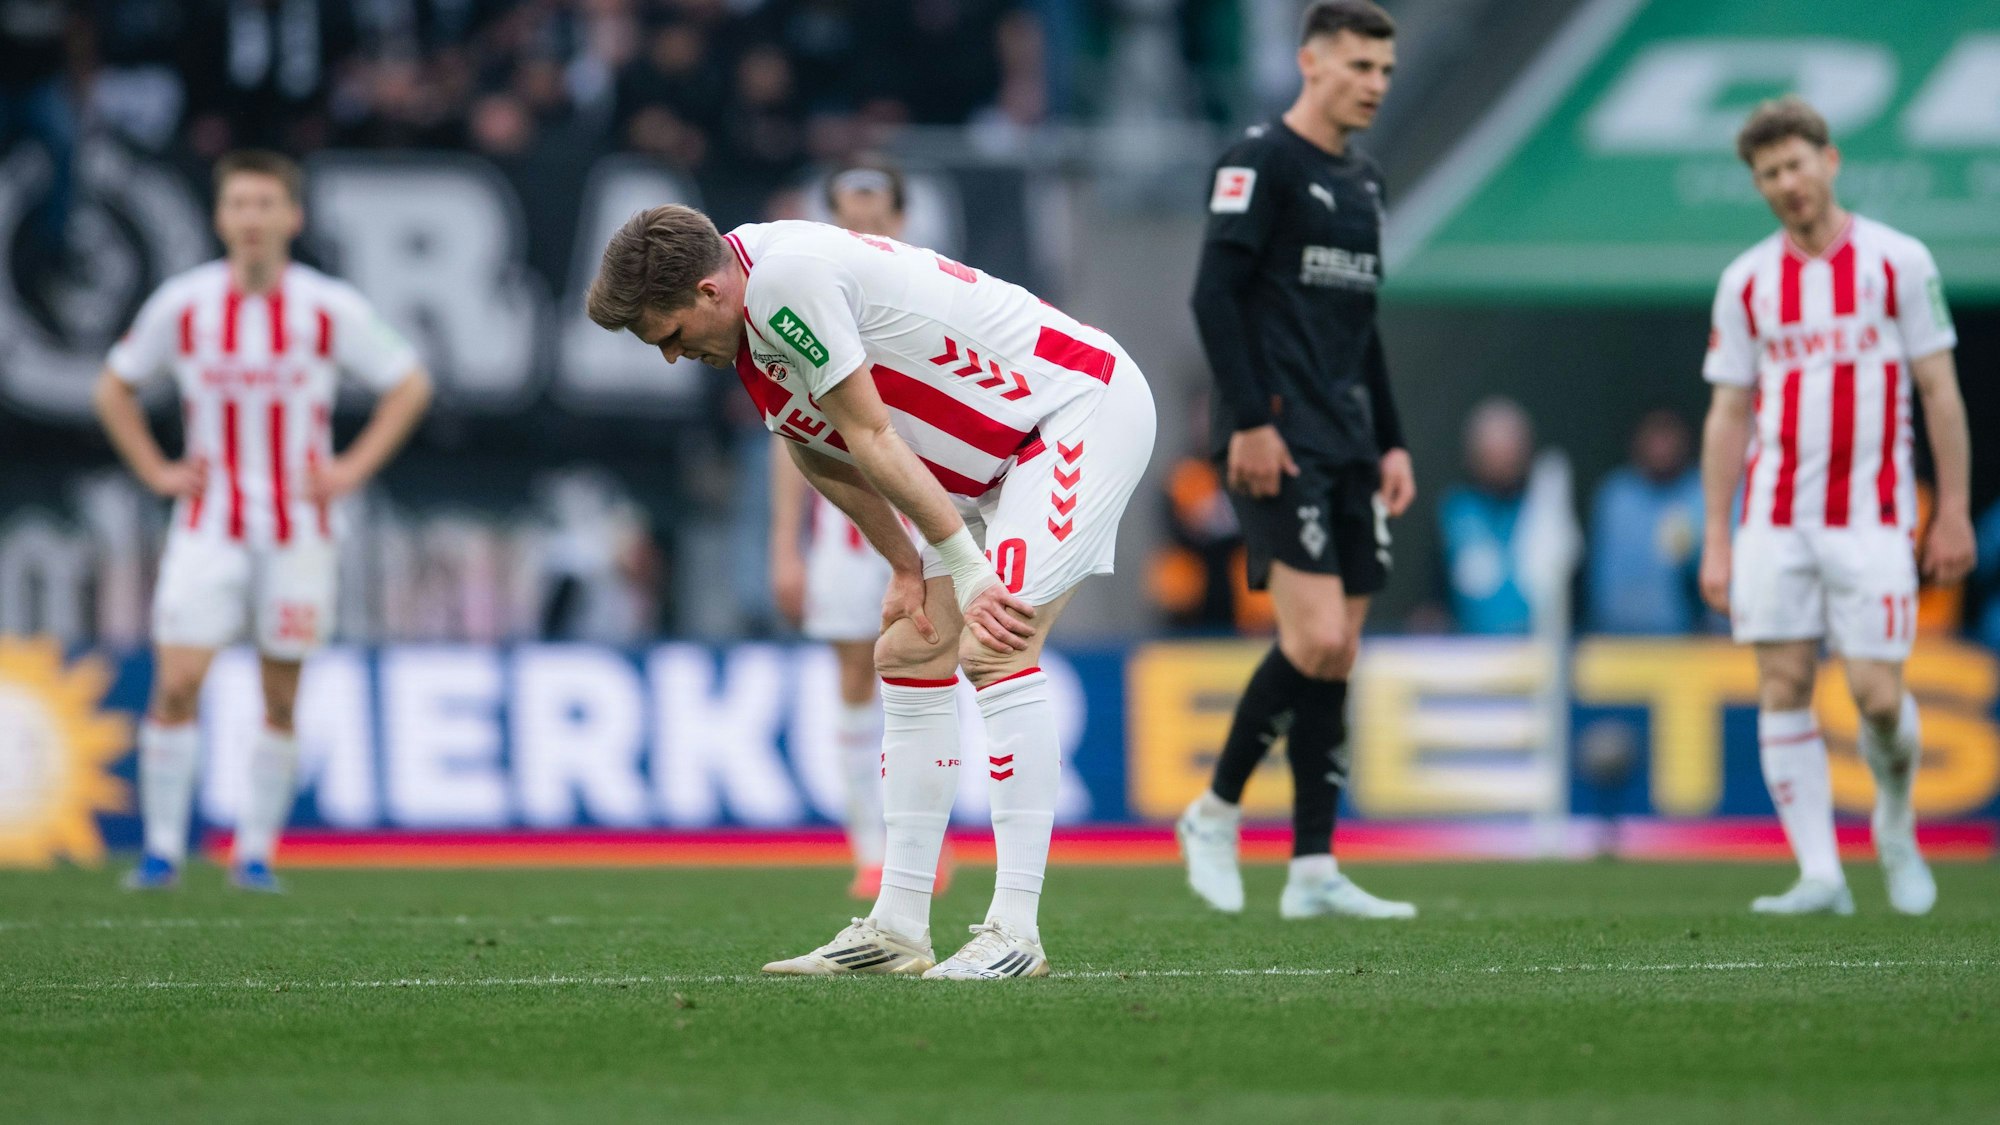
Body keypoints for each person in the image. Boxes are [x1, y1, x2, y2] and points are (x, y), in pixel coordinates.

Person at [587, 205, 1156, 980]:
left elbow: (874, 435)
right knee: (912, 646)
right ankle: (898, 927)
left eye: (670, 334)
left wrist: (962, 564)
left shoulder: (786, 284)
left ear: (709, 291)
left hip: (1075, 413)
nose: (672, 356)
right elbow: (817, 450)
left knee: (995, 641)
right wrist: (904, 565)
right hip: (1000, 463)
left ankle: (1015, 932)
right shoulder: (752, 307)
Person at [95, 150, 432, 892]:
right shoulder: (184, 304)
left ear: (292, 216)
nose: (251, 219)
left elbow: (407, 382)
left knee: (280, 692)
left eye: (265, 205)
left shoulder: (325, 307)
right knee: (179, 680)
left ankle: (253, 853)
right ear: (220, 218)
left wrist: (351, 468)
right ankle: (159, 853)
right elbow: (114, 385)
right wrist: (156, 469)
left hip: (297, 529)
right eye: (239, 205)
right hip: (209, 524)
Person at [1699, 97, 1974, 917]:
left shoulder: (1898, 261)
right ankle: (1820, 871)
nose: (1787, 183)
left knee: (1878, 696)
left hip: (1872, 514)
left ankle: (1895, 822)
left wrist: (1953, 508)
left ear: (1831, 160)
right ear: (1758, 184)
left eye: (1796, 164)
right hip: (1775, 517)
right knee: (1782, 681)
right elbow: (1727, 412)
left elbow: (1939, 391)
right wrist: (1717, 535)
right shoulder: (1746, 281)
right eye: (1768, 173)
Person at [1173, 0, 1417, 922]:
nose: (1375, 86)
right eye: (1359, 66)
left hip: (1352, 440)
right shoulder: (1259, 161)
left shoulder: (1365, 182)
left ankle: (1314, 864)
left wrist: (1392, 438)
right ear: (1311, 62)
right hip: (1279, 439)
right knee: (1314, 639)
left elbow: (1364, 328)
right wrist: (1248, 421)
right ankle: (1214, 809)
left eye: (1385, 71)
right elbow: (1212, 297)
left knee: (1336, 651)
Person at [766, 159, 950, 900]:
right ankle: (871, 847)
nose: (863, 232)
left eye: (875, 219)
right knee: (854, 673)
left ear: (901, 222)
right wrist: (785, 544)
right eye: (849, 218)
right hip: (846, 528)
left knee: (935, 672)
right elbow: (792, 434)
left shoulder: (937, 292)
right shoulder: (810, 301)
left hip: (933, 517)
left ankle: (924, 841)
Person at [1587, 409, 1706, 635]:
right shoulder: (1616, 495)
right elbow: (1596, 578)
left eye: (1668, 436)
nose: (1661, 447)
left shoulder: (1703, 494)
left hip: (1689, 642)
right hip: (1616, 640)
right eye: (1654, 436)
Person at [1437, 397, 1535, 635]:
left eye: (1508, 449)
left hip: (1539, 653)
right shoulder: (1457, 510)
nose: (1500, 461)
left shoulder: (1544, 508)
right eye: (1491, 451)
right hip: (1470, 654)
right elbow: (1436, 591)